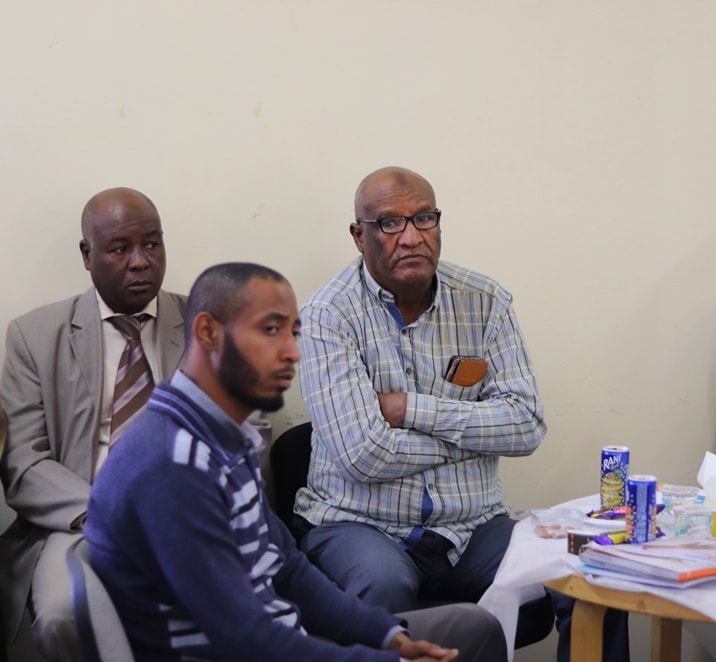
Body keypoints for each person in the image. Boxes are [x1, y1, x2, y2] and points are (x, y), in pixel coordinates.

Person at [84, 262, 507, 662]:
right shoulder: (171, 463)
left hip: (279, 637)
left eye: (293, 333)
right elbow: (244, 638)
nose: (292, 352)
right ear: (208, 333)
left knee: (476, 627)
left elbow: (287, 569)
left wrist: (388, 636)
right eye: (270, 330)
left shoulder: (222, 438)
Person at [294, 166, 627, 660]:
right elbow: (364, 454)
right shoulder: (328, 314)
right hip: (361, 523)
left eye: (424, 218)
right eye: (390, 223)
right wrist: (472, 437)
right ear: (359, 236)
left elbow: (526, 425)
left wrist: (410, 409)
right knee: (383, 586)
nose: (412, 237)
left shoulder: (485, 302)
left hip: (471, 527)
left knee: (589, 565)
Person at [0, 187, 187, 661]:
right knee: (64, 612)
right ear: (87, 255)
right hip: (79, 519)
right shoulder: (33, 336)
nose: (141, 262)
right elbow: (24, 462)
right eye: (120, 249)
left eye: (152, 243)